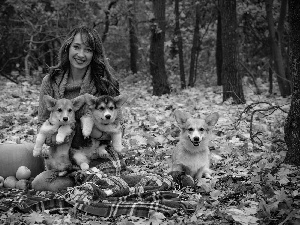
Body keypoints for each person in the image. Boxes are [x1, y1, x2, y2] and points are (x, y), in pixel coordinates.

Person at [31, 25, 124, 191]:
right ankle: (87, 181)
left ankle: (93, 180)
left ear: (94, 54)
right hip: (63, 156)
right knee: (39, 184)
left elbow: (119, 126)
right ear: (68, 47)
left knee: (98, 175)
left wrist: (100, 133)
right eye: (76, 47)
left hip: (96, 153)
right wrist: (55, 139)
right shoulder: (50, 81)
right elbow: (41, 123)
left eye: (88, 50)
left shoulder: (104, 83)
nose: (81, 55)